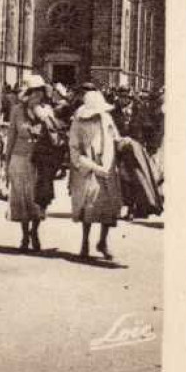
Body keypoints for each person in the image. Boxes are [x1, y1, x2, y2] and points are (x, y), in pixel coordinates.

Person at [69, 85, 122, 260]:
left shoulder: (106, 118)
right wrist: (85, 163)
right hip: (88, 168)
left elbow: (115, 137)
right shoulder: (78, 121)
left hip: (107, 165)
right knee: (88, 205)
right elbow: (74, 147)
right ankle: (85, 243)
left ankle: (103, 242)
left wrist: (121, 143)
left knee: (108, 205)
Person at [4, 74, 49, 252]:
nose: (38, 96)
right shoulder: (16, 110)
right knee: (22, 199)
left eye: (40, 93)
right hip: (19, 159)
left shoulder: (47, 111)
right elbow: (11, 138)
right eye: (35, 92)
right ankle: (24, 235)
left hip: (39, 161)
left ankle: (35, 232)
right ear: (28, 93)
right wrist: (6, 164)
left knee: (37, 200)